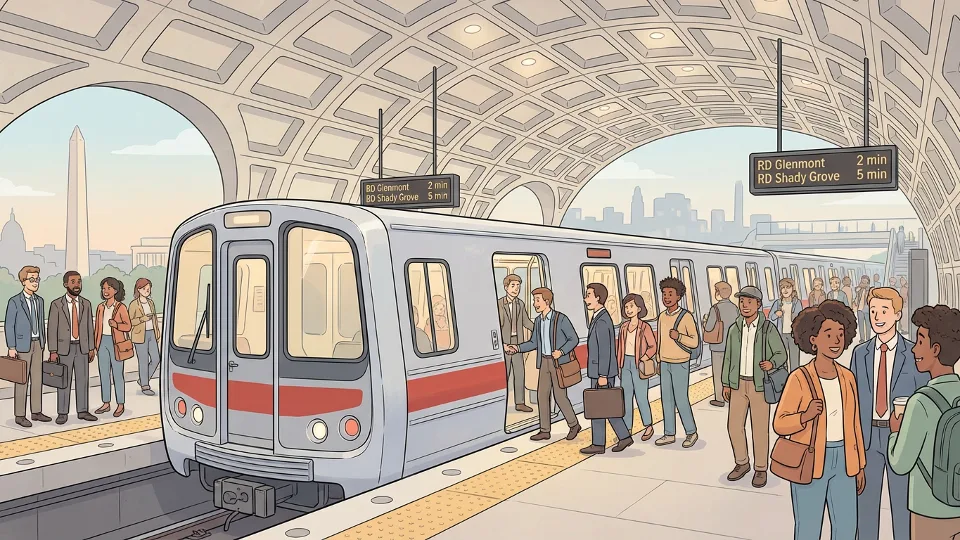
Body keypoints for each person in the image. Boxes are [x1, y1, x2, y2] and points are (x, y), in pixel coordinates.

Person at [774, 300, 866, 540]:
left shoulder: (847, 378)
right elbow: (780, 423)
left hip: (844, 461)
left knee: (847, 527)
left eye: (841, 334)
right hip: (811, 459)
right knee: (808, 528)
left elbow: (854, 425)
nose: (836, 341)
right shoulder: (799, 378)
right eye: (828, 334)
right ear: (812, 340)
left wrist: (859, 465)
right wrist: (804, 417)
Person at [850, 287, 927, 540]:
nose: (877, 316)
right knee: (865, 506)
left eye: (883, 310)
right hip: (868, 438)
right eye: (872, 311)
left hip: (901, 439)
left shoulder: (913, 353)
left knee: (903, 506)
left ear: (897, 314)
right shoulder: (860, 354)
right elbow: (854, 404)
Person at [889, 305, 960, 539]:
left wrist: (894, 433)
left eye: (920, 341)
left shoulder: (920, 402)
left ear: (936, 349)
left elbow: (900, 463)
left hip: (928, 509)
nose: (914, 350)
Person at [721, 285, 787, 488]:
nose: (745, 306)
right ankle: (742, 463)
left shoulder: (768, 329)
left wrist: (771, 364)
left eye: (749, 302)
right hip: (738, 384)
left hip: (760, 385)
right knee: (734, 426)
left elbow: (781, 354)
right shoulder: (734, 329)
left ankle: (760, 468)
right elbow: (728, 357)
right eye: (742, 302)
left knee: (759, 429)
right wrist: (725, 383)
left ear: (758, 305)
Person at [504, 287, 581, 441]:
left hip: (557, 363)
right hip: (544, 362)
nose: (534, 303)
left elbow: (574, 339)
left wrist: (561, 351)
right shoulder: (538, 321)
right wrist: (517, 348)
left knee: (560, 397)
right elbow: (533, 343)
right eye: (534, 300)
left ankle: (574, 425)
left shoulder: (561, 319)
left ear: (546, 301)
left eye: (537, 300)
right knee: (542, 395)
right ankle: (545, 430)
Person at [580, 283, 633, 454]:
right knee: (603, 407)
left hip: (602, 373)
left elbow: (605, 350)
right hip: (599, 371)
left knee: (603, 407)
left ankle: (606, 442)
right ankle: (615, 439)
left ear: (598, 298)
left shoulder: (602, 320)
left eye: (589, 295)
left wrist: (602, 374)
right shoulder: (599, 317)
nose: (586, 298)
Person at [46, 271, 98, 424]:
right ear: (65, 284)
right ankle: (62, 412)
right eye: (73, 281)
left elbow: (90, 327)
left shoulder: (86, 304)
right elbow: (52, 329)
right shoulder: (56, 304)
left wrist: (91, 348)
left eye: (79, 281)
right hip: (64, 349)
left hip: (82, 349)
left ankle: (82, 411)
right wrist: (53, 351)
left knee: (83, 380)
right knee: (64, 381)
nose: (77, 285)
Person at [655, 277, 699, 448]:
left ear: (679, 296)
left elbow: (694, 341)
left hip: (681, 362)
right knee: (666, 399)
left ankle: (691, 432)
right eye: (664, 294)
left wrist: (679, 336)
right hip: (665, 362)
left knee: (681, 398)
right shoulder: (661, 317)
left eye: (670, 294)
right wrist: (658, 359)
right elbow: (660, 340)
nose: (666, 297)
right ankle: (669, 433)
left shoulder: (686, 317)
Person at [4, 266, 49, 427]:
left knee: (37, 379)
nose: (35, 282)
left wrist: (43, 343)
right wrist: (11, 346)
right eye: (31, 279)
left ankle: (36, 411)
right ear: (23, 281)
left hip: (38, 344)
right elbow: (9, 325)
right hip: (22, 345)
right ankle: (20, 415)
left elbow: (41, 323)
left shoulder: (40, 301)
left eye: (37, 279)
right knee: (22, 380)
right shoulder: (15, 301)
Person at [617, 293, 657, 441]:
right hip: (625, 364)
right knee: (626, 398)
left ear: (639, 308)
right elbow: (620, 348)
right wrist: (619, 366)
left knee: (641, 397)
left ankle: (648, 425)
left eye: (631, 306)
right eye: (626, 307)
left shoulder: (644, 327)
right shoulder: (623, 327)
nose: (628, 309)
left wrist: (644, 358)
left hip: (639, 365)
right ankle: (627, 428)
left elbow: (653, 346)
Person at [94, 277, 131, 417]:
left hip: (117, 344)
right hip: (102, 343)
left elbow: (128, 326)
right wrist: (95, 345)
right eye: (104, 288)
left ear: (115, 290)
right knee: (103, 374)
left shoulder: (121, 307)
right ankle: (106, 403)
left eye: (109, 288)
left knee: (117, 374)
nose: (106, 291)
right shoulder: (100, 307)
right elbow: (97, 328)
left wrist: (116, 325)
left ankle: (120, 404)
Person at [497, 274, 535, 413]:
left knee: (519, 373)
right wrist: (503, 344)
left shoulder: (520, 304)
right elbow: (495, 326)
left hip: (517, 343)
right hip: (504, 343)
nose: (516, 289)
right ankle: (502, 404)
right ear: (506, 287)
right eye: (513, 286)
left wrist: (540, 330)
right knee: (504, 375)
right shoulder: (499, 304)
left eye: (518, 286)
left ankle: (520, 403)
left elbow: (526, 322)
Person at [703, 281, 738, 407]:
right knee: (731, 372)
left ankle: (720, 398)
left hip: (718, 347)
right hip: (732, 346)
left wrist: (705, 322)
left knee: (718, 373)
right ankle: (733, 397)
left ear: (718, 293)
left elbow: (709, 326)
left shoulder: (715, 309)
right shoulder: (735, 307)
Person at [129, 278, 161, 396]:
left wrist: (157, 332)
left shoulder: (151, 303)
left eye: (148, 288)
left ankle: (143, 379)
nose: (147, 290)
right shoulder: (134, 304)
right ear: (138, 290)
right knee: (143, 361)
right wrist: (142, 319)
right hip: (139, 335)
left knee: (156, 359)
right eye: (144, 288)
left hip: (151, 333)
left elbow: (155, 319)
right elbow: (130, 322)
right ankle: (145, 386)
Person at [769, 278, 802, 370]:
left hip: (793, 334)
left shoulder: (797, 303)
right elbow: (770, 317)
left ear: (792, 288)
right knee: (781, 357)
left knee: (794, 357)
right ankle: (783, 375)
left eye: (788, 287)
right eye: (783, 287)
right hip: (781, 334)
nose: (785, 290)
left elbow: (801, 318)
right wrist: (776, 314)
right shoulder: (778, 303)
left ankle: (794, 375)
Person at [853, 275, 873, 343]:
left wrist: (867, 288)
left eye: (865, 282)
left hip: (867, 309)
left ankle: (868, 338)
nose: (863, 283)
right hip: (860, 309)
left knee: (868, 325)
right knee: (861, 325)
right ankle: (862, 338)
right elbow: (856, 289)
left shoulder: (870, 289)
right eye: (862, 282)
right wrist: (860, 286)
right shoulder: (859, 289)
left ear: (868, 283)